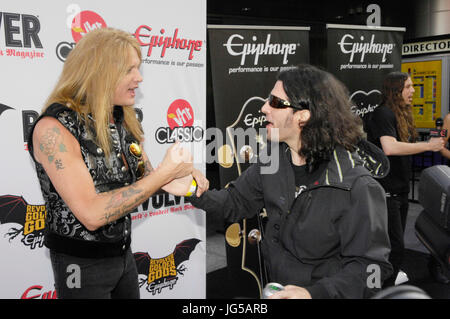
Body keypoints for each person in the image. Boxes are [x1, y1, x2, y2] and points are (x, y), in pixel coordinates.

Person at [190, 64, 393, 299]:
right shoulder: (273, 159)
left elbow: (374, 271)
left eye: (276, 102)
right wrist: (191, 189)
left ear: (303, 116)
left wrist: (313, 294)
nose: (264, 107)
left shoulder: (357, 186)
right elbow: (234, 202)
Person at [27, 28, 202, 299]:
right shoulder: (53, 128)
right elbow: (92, 214)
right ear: (100, 72)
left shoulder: (120, 118)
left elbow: (147, 179)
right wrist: (163, 175)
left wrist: (175, 180)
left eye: (139, 68)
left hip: (123, 256)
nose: (139, 78)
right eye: (130, 70)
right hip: (80, 265)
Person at [366, 71, 445, 287]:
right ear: (396, 90)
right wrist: (429, 146)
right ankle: (383, 288)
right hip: (385, 193)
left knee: (394, 247)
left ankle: (386, 283)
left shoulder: (399, 114)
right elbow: (389, 148)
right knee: (394, 246)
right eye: (408, 87)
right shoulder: (383, 114)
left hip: (398, 191)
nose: (412, 91)